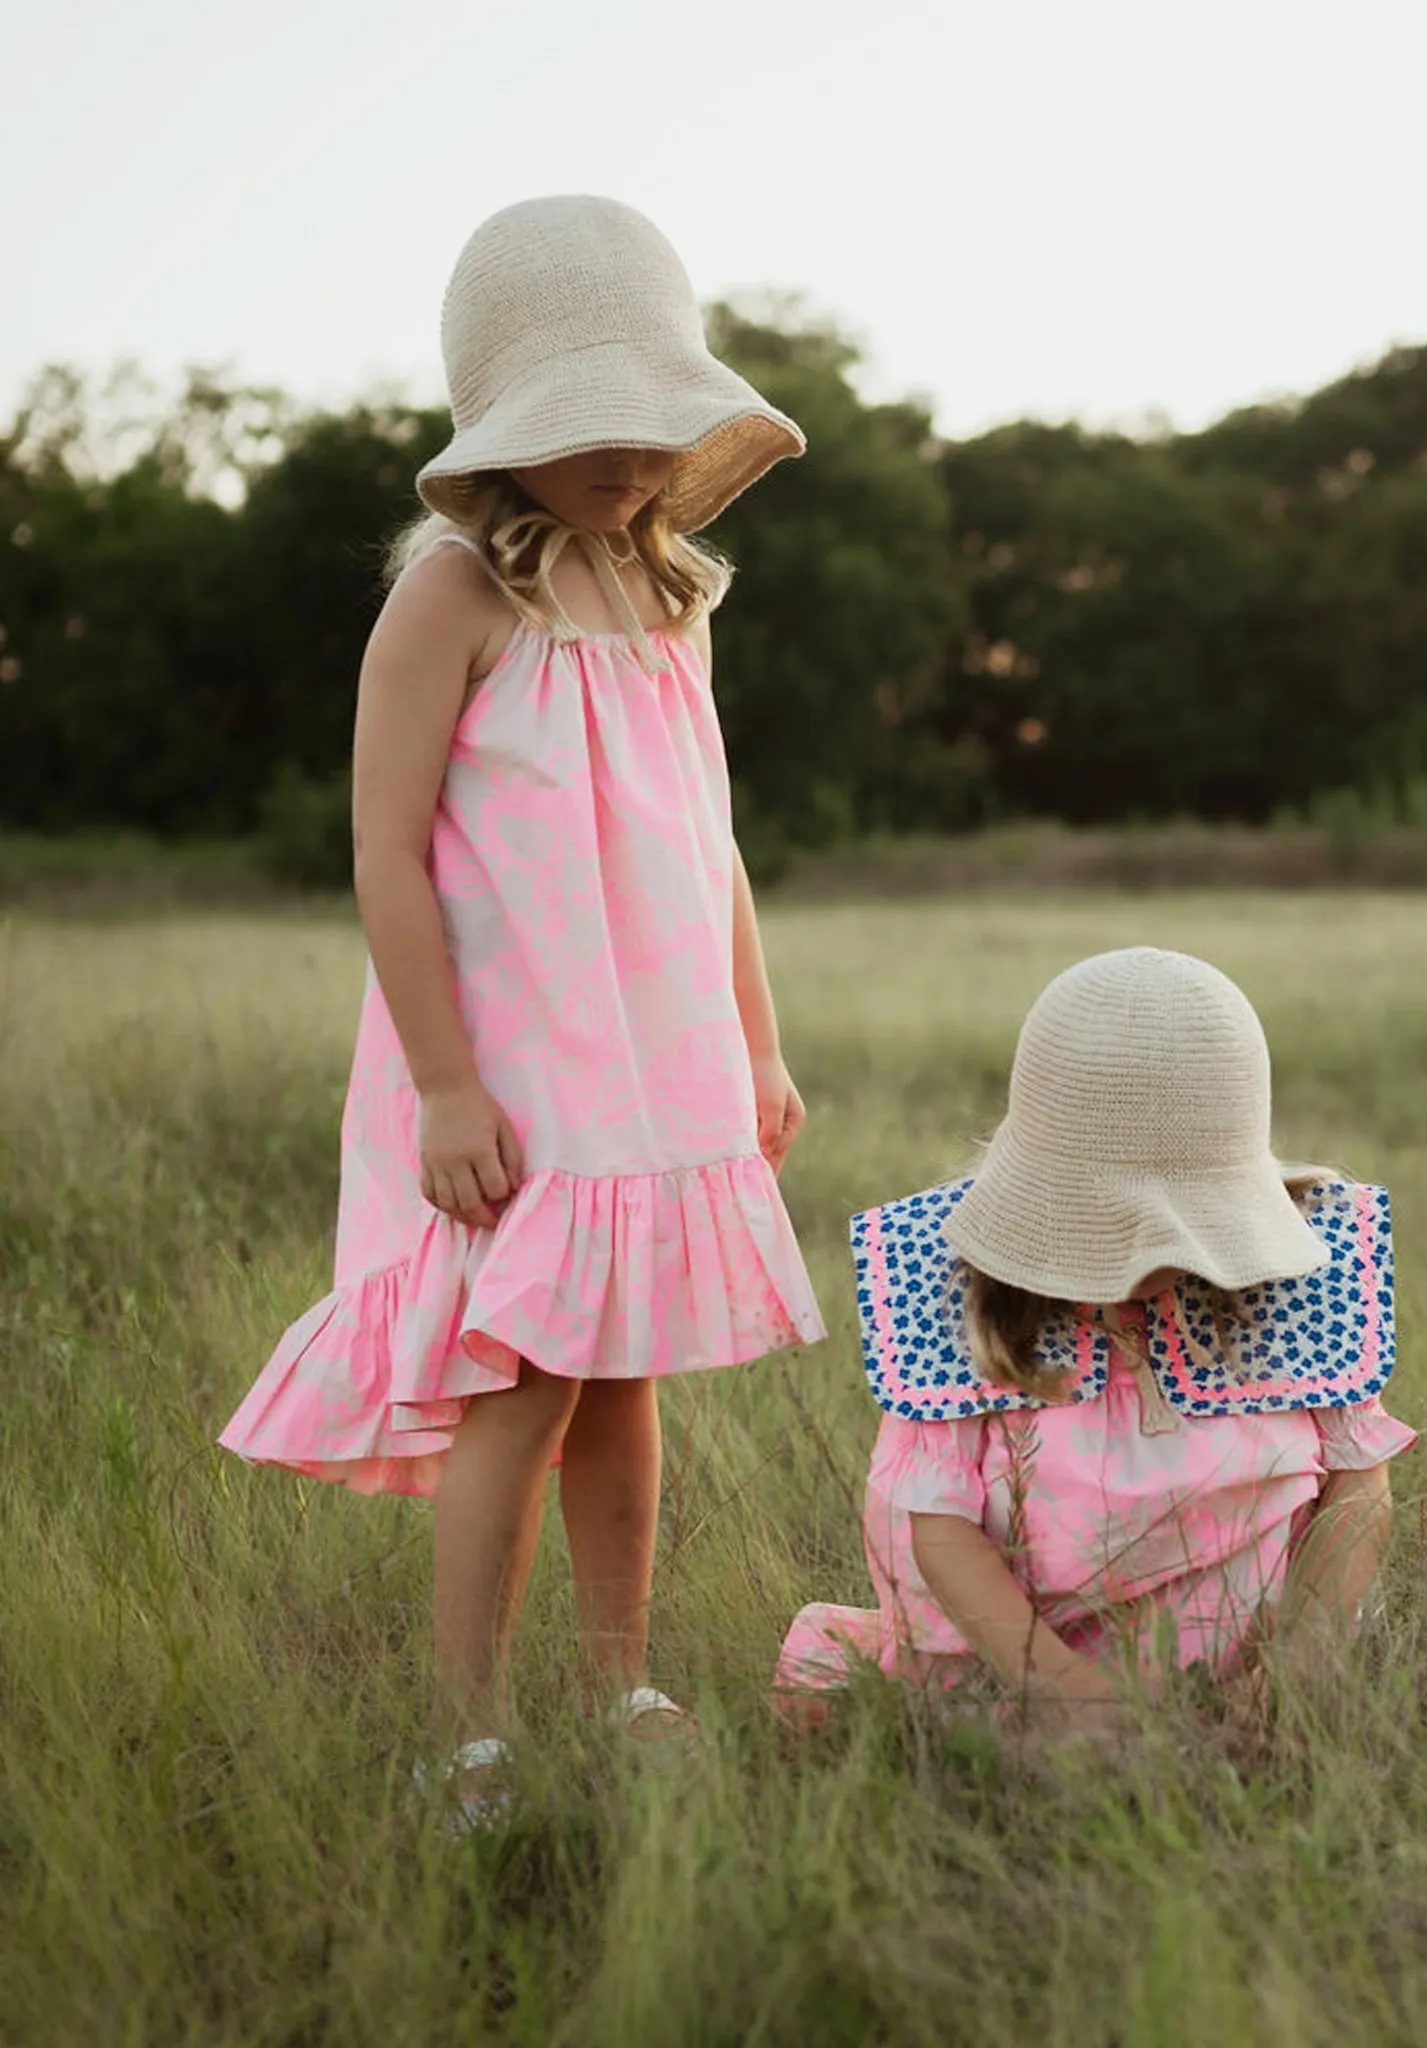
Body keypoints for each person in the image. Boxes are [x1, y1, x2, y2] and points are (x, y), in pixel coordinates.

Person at [221, 195, 825, 1823]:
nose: (627, 456)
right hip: (521, 1066)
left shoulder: (672, 597)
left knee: (624, 1377)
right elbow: (386, 850)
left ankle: (614, 1676)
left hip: (665, 1056)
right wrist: (442, 1086)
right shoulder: (452, 594)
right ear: (503, 420)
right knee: (521, 1382)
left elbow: (714, 846)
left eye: (648, 418)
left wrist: (755, 1038)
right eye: (584, 423)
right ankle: (465, 1726)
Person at [777, 948, 1411, 1751]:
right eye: (1100, 1229)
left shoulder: (1298, 1283)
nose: (1138, 1265)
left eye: (1173, 1233)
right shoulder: (958, 1296)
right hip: (1028, 1680)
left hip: (1262, 1686)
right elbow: (936, 1528)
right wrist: (1069, 1698)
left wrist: (1302, 1658)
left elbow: (1359, 1485)